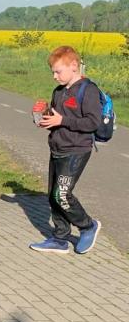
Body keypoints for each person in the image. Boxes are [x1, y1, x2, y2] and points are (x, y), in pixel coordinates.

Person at [29, 45, 101, 254]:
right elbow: (56, 119)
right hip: (57, 147)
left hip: (77, 149)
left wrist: (62, 120)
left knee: (62, 194)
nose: (54, 76)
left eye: (58, 71)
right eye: (53, 72)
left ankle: (88, 226)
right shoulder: (59, 91)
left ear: (74, 66)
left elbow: (93, 122)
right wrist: (43, 117)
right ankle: (60, 238)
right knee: (53, 196)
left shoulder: (88, 90)